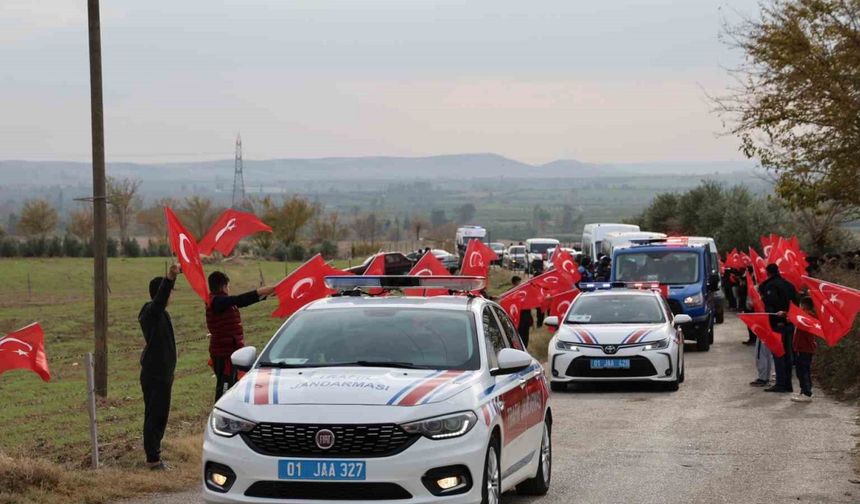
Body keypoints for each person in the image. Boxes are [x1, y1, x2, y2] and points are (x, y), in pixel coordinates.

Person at [206, 271, 275, 401]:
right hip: (225, 354)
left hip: (230, 351)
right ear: (223, 286)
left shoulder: (222, 302)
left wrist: (266, 294)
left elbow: (240, 302)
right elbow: (239, 300)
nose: (228, 289)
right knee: (225, 389)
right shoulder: (217, 301)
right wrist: (260, 291)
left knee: (233, 385)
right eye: (228, 286)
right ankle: (220, 415)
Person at [139, 263, 181, 470]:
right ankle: (153, 459)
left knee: (159, 415)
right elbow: (160, 300)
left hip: (164, 373)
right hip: (155, 374)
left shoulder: (162, 314)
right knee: (155, 415)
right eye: (169, 292)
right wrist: (170, 277)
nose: (171, 296)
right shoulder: (150, 311)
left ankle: (154, 454)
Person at [758, 263, 798, 393]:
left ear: (767, 272)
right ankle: (787, 384)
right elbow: (796, 303)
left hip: (778, 324)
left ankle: (781, 384)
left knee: (779, 354)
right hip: (790, 322)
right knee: (788, 354)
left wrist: (774, 321)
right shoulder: (789, 285)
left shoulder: (771, 286)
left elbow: (771, 305)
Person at [792, 297, 817, 402]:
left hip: (804, 348)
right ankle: (805, 390)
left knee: (802, 371)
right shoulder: (804, 317)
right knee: (803, 370)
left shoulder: (807, 318)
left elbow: (808, 335)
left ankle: (807, 393)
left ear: (803, 306)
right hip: (803, 348)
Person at [510, 275, 534, 348]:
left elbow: (528, 306)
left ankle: (524, 348)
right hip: (516, 318)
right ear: (514, 283)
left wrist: (531, 319)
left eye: (520, 282)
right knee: (518, 335)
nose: (519, 284)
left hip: (525, 317)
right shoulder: (510, 293)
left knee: (525, 335)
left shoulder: (523, 292)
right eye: (518, 282)